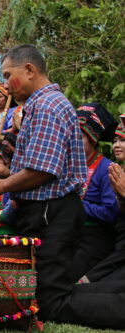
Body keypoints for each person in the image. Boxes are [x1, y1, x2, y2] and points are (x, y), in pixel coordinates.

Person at [0, 44, 125, 329]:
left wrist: (1, 185)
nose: (5, 85)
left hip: (52, 212)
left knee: (49, 303)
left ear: (29, 70)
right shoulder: (41, 105)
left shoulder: (47, 106)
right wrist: (8, 170)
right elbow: (43, 164)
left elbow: (43, 171)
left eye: (8, 75)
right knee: (50, 292)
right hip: (49, 210)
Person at [70, 103, 119, 281]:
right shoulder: (69, 168)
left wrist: (77, 204)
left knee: (69, 276)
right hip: (69, 234)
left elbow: (110, 212)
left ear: (93, 139)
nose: (74, 142)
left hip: (94, 238)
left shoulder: (106, 168)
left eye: (80, 137)